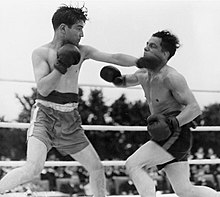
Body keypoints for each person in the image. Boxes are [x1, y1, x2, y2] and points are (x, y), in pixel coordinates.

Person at [0, 4, 137, 196]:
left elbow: (113, 57)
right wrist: (61, 65)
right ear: (63, 28)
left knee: (96, 168)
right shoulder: (40, 53)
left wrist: (140, 62)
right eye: (79, 28)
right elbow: (43, 88)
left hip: (70, 119)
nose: (82, 34)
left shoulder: (83, 51)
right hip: (45, 117)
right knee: (32, 168)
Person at [100, 30, 220, 197]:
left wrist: (173, 123)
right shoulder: (142, 73)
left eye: (152, 46)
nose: (146, 48)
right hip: (164, 132)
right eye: (146, 45)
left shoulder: (171, 77)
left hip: (176, 131)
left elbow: (194, 108)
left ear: (164, 53)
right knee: (185, 191)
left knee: (133, 165)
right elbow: (124, 82)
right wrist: (114, 79)